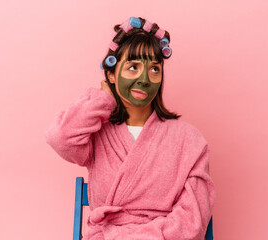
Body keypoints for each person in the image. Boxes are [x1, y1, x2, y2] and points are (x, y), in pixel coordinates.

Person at [44, 16, 216, 240]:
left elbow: (193, 220)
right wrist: (101, 100)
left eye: (154, 69)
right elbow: (60, 138)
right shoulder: (97, 133)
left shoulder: (189, 139)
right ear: (112, 74)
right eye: (133, 67)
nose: (145, 79)